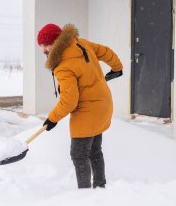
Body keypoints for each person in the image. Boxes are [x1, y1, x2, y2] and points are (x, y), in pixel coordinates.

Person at [37, 23, 123, 189]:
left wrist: (52, 119)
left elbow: (69, 101)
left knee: (78, 154)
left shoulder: (63, 66)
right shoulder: (80, 43)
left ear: (57, 42)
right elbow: (106, 52)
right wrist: (117, 68)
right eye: (41, 46)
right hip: (103, 103)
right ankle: (100, 188)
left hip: (87, 110)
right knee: (94, 151)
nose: (44, 50)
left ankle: (84, 196)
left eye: (47, 45)